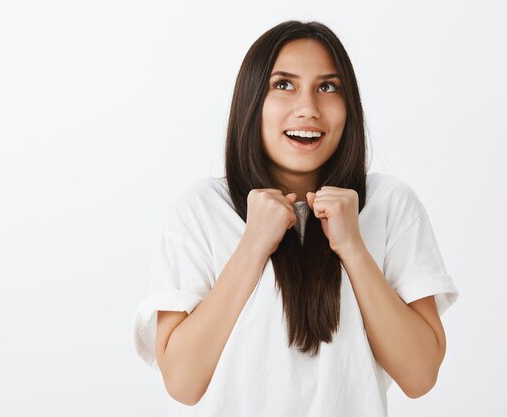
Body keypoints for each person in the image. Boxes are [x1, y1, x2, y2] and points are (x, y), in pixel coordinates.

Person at [132, 20, 459, 416]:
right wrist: (253, 244)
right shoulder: (200, 208)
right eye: (283, 84)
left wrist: (352, 247)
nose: (308, 108)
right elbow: (183, 383)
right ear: (252, 100)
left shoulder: (390, 204)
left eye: (327, 87)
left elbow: (420, 374)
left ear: (348, 105)